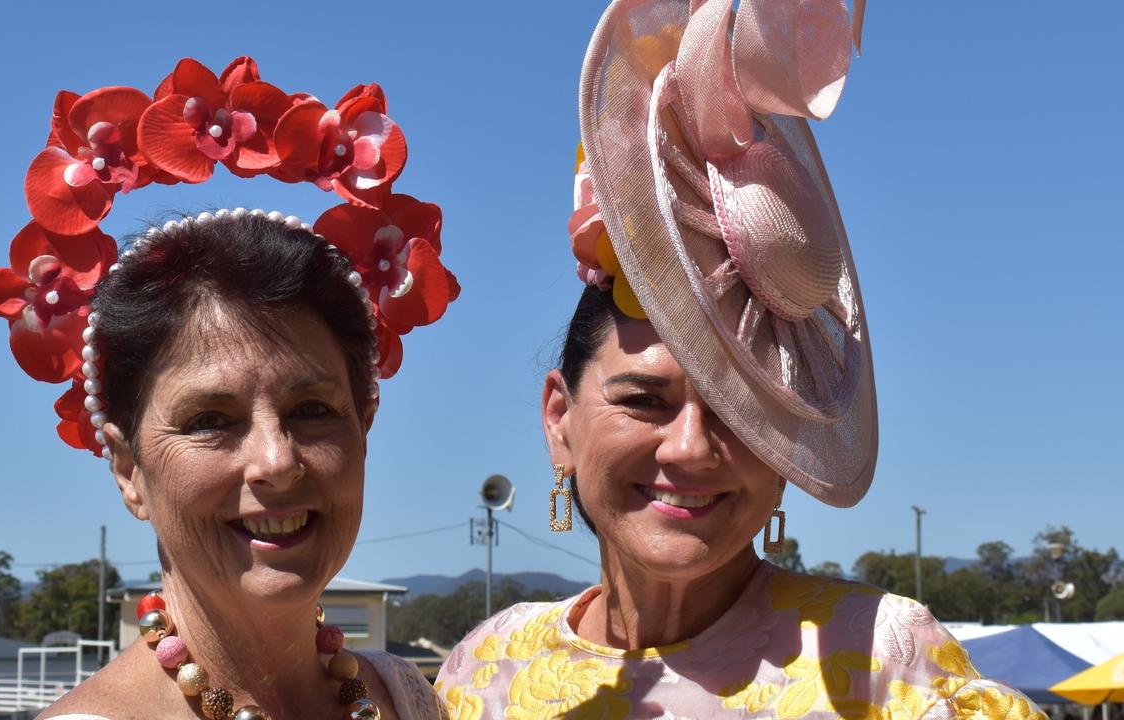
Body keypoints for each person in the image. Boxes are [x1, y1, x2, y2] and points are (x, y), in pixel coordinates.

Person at [435, 1, 1046, 718]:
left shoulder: (881, 663)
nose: (691, 449)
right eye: (643, 400)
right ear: (558, 419)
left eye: (740, 412)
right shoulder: (483, 669)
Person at [0, 56, 457, 720]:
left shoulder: (405, 699)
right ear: (127, 469)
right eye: (209, 420)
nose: (276, 460)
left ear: (364, 426)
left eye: (312, 409)